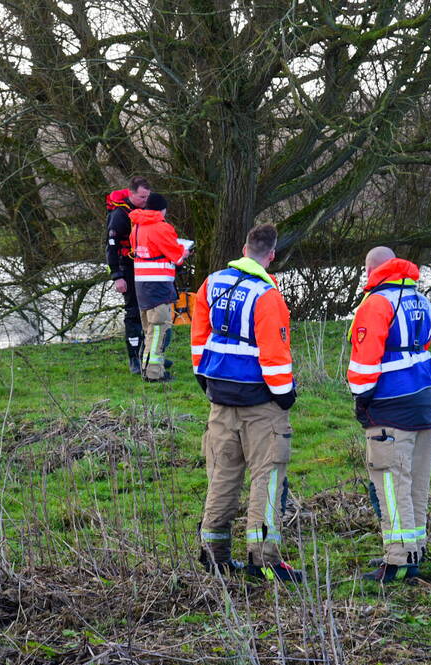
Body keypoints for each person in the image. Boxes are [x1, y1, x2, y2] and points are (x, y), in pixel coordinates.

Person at [192, 223, 302, 583]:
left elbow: (199, 335)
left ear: (243, 248)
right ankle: (263, 559)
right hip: (259, 401)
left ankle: (215, 555)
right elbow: (274, 354)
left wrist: (203, 376)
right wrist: (285, 395)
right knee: (266, 477)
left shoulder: (211, 283)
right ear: (271, 256)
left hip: (219, 396)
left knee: (222, 474)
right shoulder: (267, 295)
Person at [347, 246, 431, 583]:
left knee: (390, 482)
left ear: (372, 269)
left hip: (389, 403)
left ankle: (398, 561)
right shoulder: (421, 300)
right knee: (415, 482)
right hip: (423, 398)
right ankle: (414, 551)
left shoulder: (375, 304)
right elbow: (424, 344)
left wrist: (361, 400)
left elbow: (364, 363)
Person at [128, 194, 190, 381]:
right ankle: (153, 373)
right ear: (162, 210)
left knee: (149, 329)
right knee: (159, 330)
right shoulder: (162, 228)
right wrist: (184, 252)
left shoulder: (136, 227)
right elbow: (176, 257)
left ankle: (151, 367)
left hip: (141, 286)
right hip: (159, 286)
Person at [106, 177, 152, 373]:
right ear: (131, 194)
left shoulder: (144, 210)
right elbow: (111, 247)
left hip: (144, 267)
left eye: (147, 197)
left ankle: (148, 354)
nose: (145, 200)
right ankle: (134, 358)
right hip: (127, 267)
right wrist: (117, 276)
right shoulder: (119, 214)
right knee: (133, 312)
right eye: (142, 197)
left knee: (149, 312)